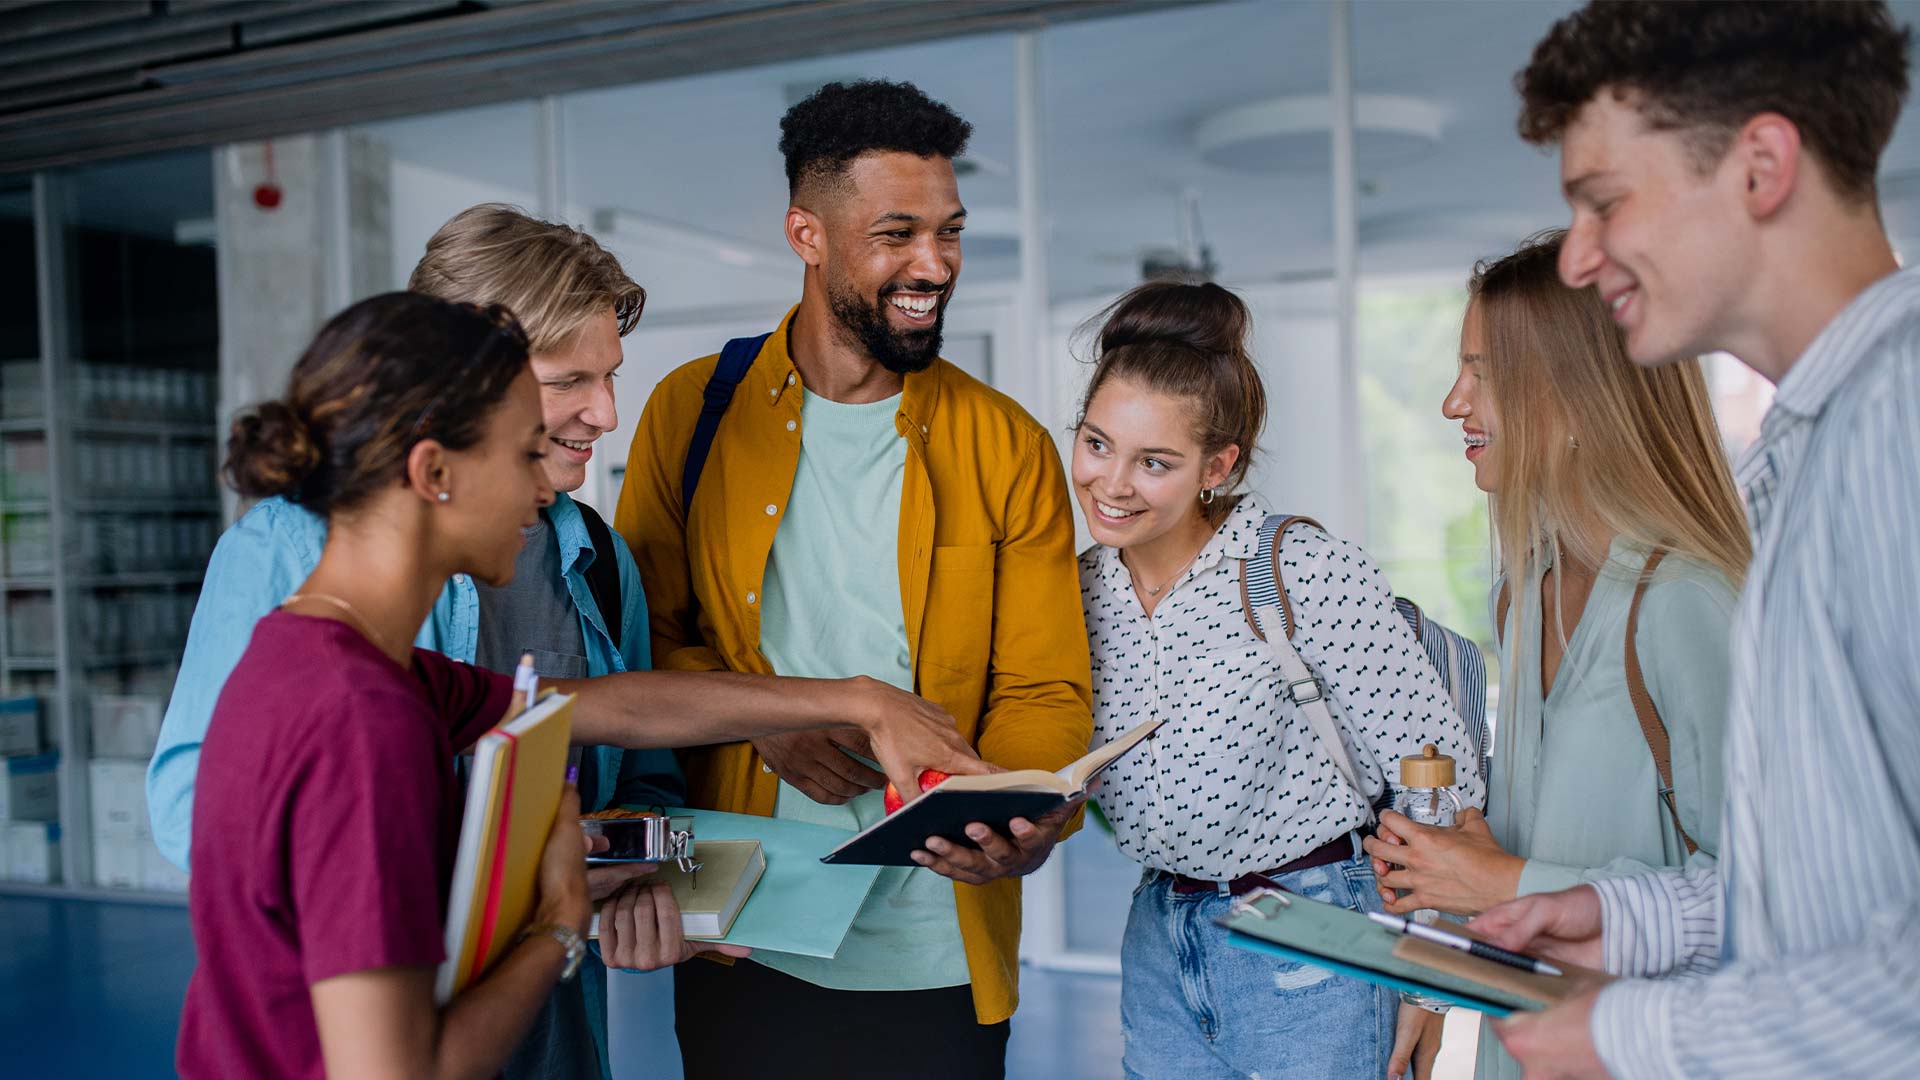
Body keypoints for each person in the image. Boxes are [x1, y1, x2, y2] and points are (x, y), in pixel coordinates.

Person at [151, 206, 984, 1078]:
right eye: (556, 394)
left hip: (540, 1033)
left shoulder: (398, 659)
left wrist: (854, 700)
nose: (605, 416)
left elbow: (602, 712)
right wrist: (551, 909)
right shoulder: (356, 697)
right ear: (440, 451)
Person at [1466, 3, 1920, 1076]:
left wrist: (1635, 1033)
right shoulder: (1813, 454)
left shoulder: (1898, 428)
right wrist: (1628, 917)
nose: (1578, 260)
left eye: (1605, 204)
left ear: (1761, 166)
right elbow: (1849, 891)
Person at [616, 79, 1093, 1079]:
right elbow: (638, 641)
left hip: (937, 952)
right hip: (740, 932)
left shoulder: (1007, 444)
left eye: (951, 232)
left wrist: (1029, 821)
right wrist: (761, 716)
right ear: (808, 234)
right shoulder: (690, 410)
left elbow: (1045, 689)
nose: (935, 266)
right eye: (898, 234)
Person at [1071, 280, 1486, 1080]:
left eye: (1154, 462)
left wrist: (1432, 979)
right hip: (1159, 933)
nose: (1112, 483)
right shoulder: (1077, 591)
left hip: (1316, 930)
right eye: (1096, 444)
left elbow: (1440, 778)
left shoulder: (1296, 567)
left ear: (1217, 466)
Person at [1362, 230, 1747, 1080]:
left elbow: (1776, 906)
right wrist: (1438, 947)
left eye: (1484, 372)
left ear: (1578, 392)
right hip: (1529, 1047)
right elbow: (1537, 848)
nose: (1452, 403)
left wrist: (1500, 878)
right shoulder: (1524, 584)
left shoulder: (1688, 603)